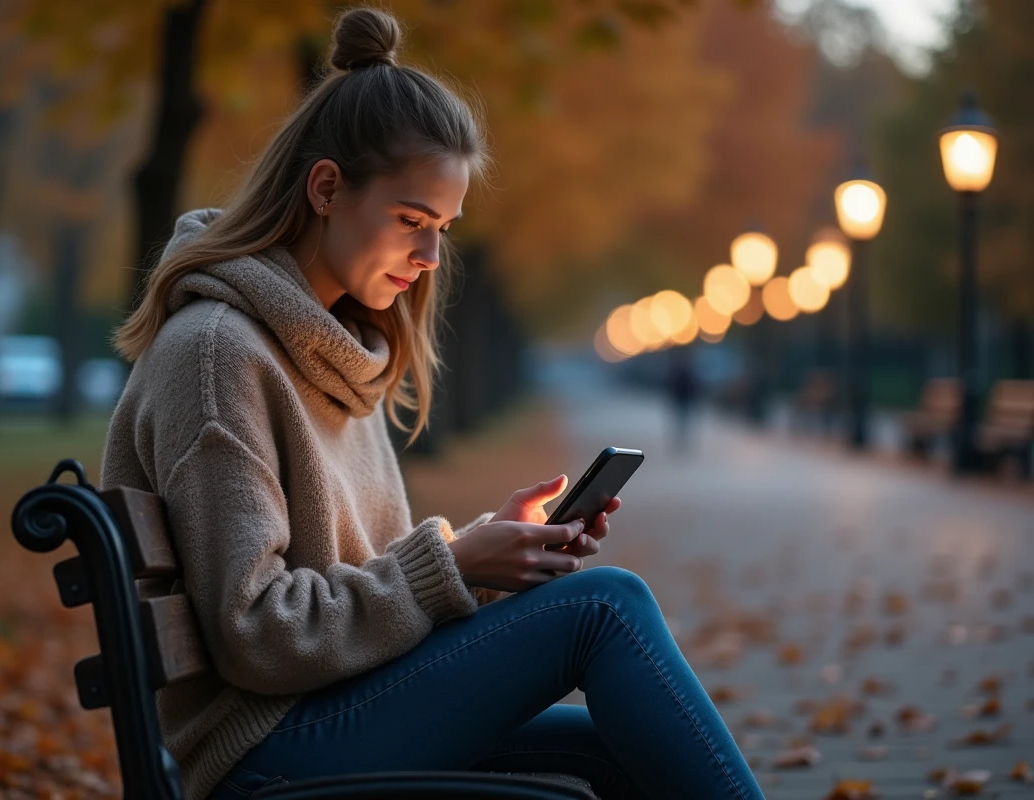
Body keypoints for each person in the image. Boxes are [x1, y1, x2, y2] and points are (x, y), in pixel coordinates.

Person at [99, 8, 763, 800]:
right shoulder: (218, 354)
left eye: (442, 227)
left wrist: (484, 558)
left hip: (325, 714)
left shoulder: (333, 350)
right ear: (325, 189)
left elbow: (366, 597)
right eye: (412, 221)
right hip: (261, 753)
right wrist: (450, 564)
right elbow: (257, 634)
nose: (430, 256)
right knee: (606, 608)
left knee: (621, 746)